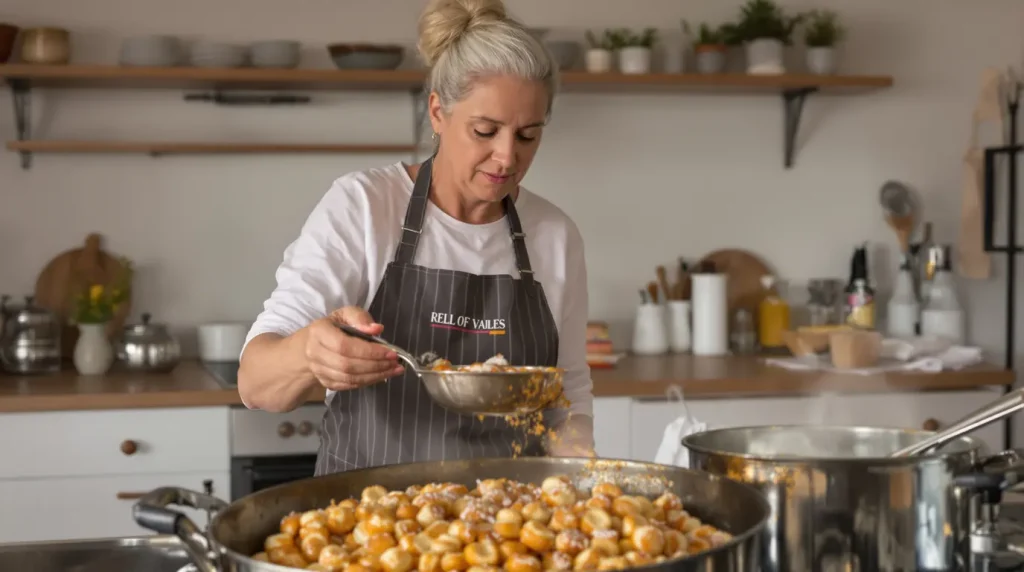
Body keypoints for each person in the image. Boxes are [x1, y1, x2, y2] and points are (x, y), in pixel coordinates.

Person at [237, 0, 594, 475]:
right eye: (485, 131)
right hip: (367, 527)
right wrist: (311, 354)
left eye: (528, 136)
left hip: (507, 532)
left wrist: (582, 489)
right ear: (438, 113)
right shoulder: (364, 206)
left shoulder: (554, 235)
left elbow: (567, 397)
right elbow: (256, 385)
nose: (507, 157)